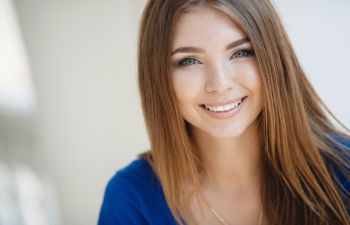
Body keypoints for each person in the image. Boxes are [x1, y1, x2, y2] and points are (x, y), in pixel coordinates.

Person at [98, 0, 350, 224]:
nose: (219, 84)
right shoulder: (131, 197)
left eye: (240, 53)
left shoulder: (343, 170)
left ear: (274, 60)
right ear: (158, 77)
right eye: (189, 61)